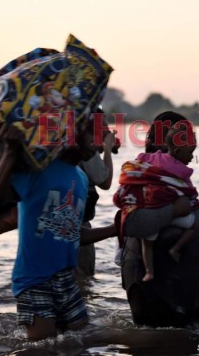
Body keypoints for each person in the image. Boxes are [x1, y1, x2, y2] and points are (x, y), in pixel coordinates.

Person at [0, 120, 117, 340]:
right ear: (73, 133)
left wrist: (117, 228)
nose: (98, 144)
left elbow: (73, 233)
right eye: (93, 135)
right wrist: (10, 151)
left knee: (80, 344)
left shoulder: (82, 178)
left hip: (66, 279)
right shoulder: (39, 169)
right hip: (34, 279)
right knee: (44, 348)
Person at [114, 121, 199, 282]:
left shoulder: (149, 157)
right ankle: (176, 249)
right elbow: (189, 193)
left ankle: (149, 272)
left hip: (147, 211)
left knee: (147, 242)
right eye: (190, 153)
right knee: (195, 225)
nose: (191, 157)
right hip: (168, 213)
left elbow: (139, 161)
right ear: (177, 150)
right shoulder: (181, 170)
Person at [76, 110, 118, 276]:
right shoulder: (85, 148)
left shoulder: (63, 145)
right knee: (82, 283)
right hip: (80, 227)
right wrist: (107, 149)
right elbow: (105, 182)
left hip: (55, 227)